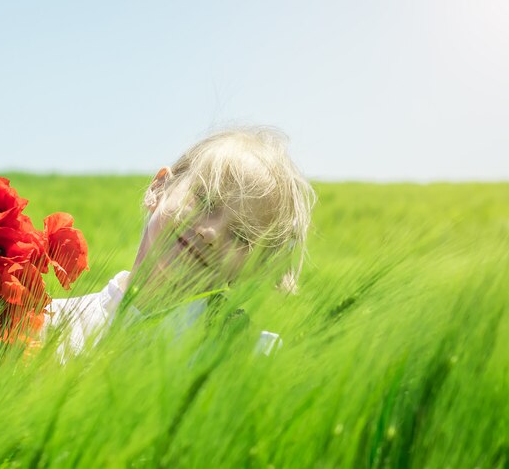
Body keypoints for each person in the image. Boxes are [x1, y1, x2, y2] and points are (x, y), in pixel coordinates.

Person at [43, 126, 315, 359]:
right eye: (206, 200)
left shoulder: (254, 356)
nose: (211, 233)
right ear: (159, 187)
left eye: (242, 236)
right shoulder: (43, 325)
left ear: (255, 264)